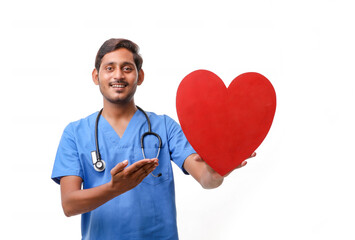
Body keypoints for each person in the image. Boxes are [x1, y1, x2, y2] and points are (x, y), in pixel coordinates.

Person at [51, 38, 255, 239]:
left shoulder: (165, 127)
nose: (119, 75)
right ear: (96, 76)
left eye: (127, 68)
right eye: (110, 68)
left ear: (140, 77)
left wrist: (217, 168)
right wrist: (115, 188)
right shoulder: (75, 133)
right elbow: (69, 205)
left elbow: (206, 179)